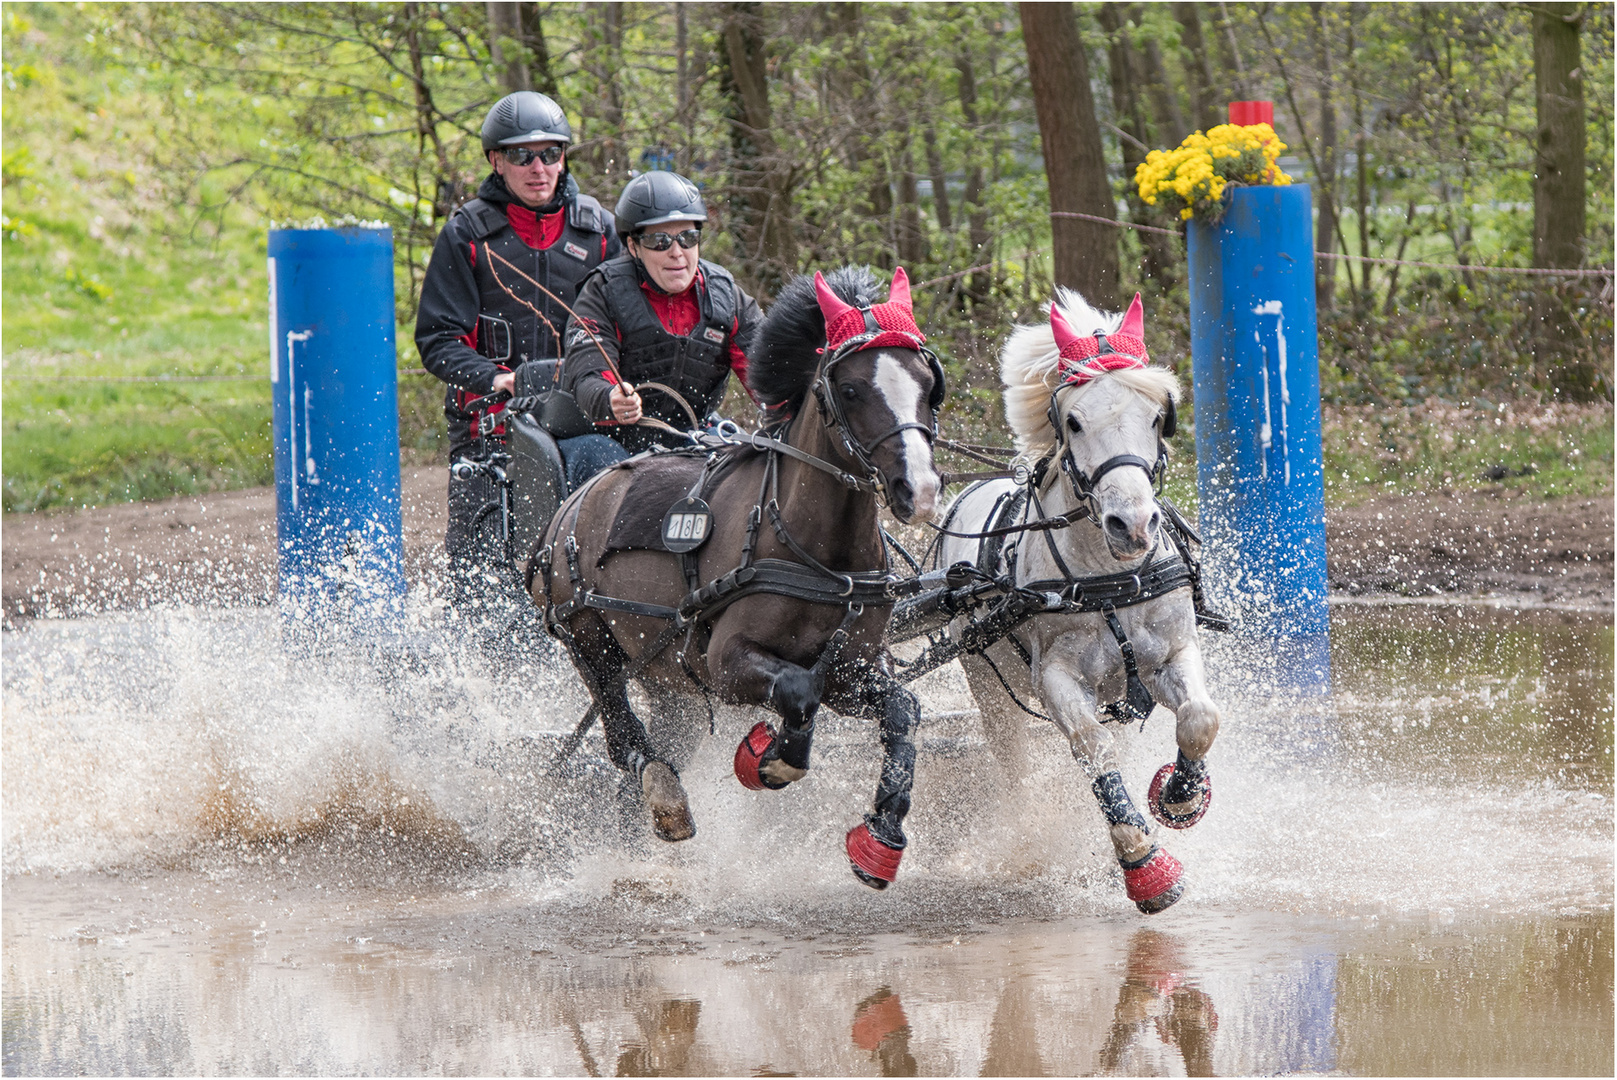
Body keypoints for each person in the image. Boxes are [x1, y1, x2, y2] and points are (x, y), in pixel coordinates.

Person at [414, 90, 621, 608]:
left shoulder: (598, 231)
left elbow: (630, 324)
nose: (538, 167)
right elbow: (437, 340)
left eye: (550, 154)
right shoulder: (467, 235)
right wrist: (497, 379)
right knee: (483, 583)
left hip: (584, 420)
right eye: (522, 155)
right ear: (496, 161)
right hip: (491, 429)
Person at [555, 170, 764, 491]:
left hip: (692, 431)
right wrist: (612, 398)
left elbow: (771, 380)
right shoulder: (602, 292)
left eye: (688, 238)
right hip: (611, 438)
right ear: (633, 247)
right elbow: (587, 379)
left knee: (749, 469)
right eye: (659, 241)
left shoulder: (727, 297)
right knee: (601, 461)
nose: (677, 252)